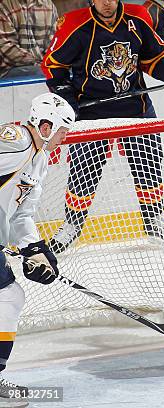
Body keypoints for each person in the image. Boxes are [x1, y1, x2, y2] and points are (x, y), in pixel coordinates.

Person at [41, 0, 164, 254]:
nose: (106, 3)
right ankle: (72, 226)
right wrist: (69, 101)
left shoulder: (137, 16)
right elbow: (53, 65)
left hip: (136, 110)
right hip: (91, 114)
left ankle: (154, 221)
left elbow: (154, 60)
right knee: (83, 175)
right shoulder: (74, 23)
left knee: (149, 168)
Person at [0, 93, 75, 402]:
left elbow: (22, 214)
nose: (64, 138)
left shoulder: (39, 158)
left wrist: (35, 249)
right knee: (8, 298)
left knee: (10, 297)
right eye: (62, 131)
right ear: (45, 126)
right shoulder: (15, 140)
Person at [0, 0, 57, 78]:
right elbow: (6, 48)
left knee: (66, 72)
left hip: (43, 66)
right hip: (10, 69)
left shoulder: (49, 5)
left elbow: (55, 43)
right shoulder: (3, 6)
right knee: (43, 74)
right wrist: (39, 65)